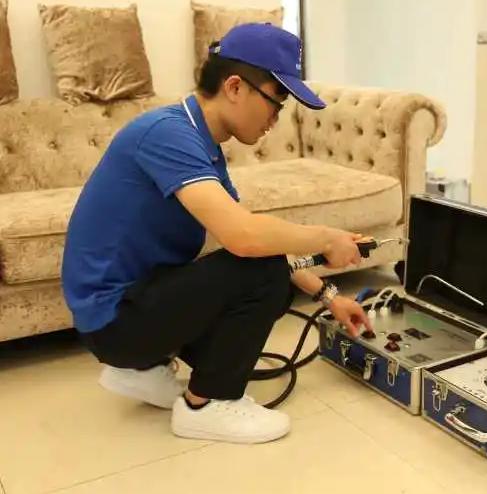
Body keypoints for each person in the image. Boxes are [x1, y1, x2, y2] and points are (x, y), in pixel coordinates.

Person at [61, 23, 372, 445]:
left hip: (124, 308)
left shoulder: (196, 141)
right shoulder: (167, 134)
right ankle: (205, 405)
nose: (275, 119)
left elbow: (248, 237)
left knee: (268, 269)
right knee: (263, 273)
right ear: (235, 87)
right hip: (114, 321)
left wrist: (329, 296)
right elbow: (246, 238)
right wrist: (326, 238)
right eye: (275, 102)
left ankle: (143, 370)